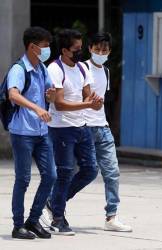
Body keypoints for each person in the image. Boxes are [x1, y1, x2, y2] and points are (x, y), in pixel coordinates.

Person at [46, 29, 102, 235]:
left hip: (82, 126)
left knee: (90, 170)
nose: (80, 52)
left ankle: (54, 201)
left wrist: (95, 103)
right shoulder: (55, 69)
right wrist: (86, 105)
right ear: (64, 51)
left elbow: (89, 97)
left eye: (80, 48)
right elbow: (59, 104)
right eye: (76, 49)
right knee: (65, 172)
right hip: (61, 128)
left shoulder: (81, 68)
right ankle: (58, 218)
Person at [7, 26, 57, 239]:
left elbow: (49, 96)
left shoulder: (42, 68)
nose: (47, 50)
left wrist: (51, 96)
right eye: (45, 46)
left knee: (50, 176)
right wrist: (37, 108)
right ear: (32, 47)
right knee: (23, 179)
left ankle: (33, 220)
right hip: (22, 133)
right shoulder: (18, 69)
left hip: (41, 132)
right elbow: (13, 95)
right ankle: (18, 225)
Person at [84, 32, 132, 232]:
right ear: (90, 49)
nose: (101, 53)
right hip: (83, 128)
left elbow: (103, 101)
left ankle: (111, 217)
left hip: (102, 128)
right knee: (79, 172)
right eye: (97, 49)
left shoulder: (106, 72)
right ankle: (54, 204)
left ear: (109, 51)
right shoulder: (81, 69)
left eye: (104, 50)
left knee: (112, 173)